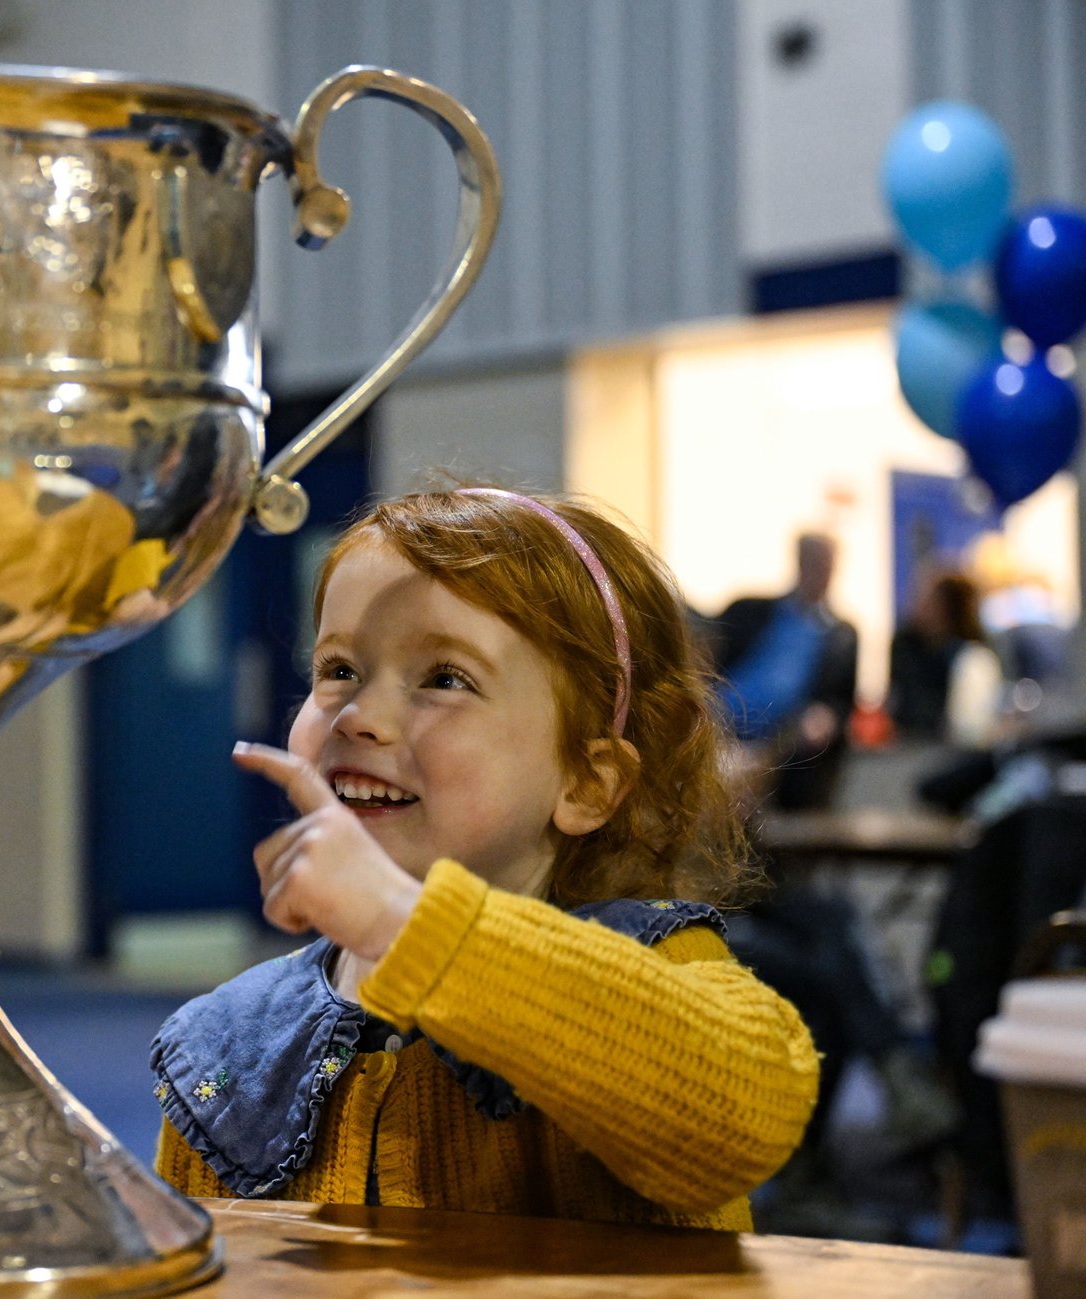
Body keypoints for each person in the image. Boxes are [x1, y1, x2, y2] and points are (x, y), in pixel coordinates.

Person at [150, 487, 818, 1229]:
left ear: (587, 784)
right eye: (339, 668)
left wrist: (411, 925)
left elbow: (744, 1117)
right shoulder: (232, 1043)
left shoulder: (659, 961)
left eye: (445, 679)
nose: (359, 716)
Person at [706, 533, 858, 811]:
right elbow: (708, 656)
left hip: (782, 740)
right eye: (814, 563)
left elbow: (843, 703)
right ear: (799, 562)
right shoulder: (748, 610)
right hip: (717, 724)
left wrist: (829, 715)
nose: (821, 572)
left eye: (826, 564)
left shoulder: (843, 635)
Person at [888, 571, 1005, 748]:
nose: (916, 605)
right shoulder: (905, 647)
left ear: (947, 609)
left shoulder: (973, 657)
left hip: (959, 751)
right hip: (912, 747)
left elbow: (973, 725)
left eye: (927, 600)